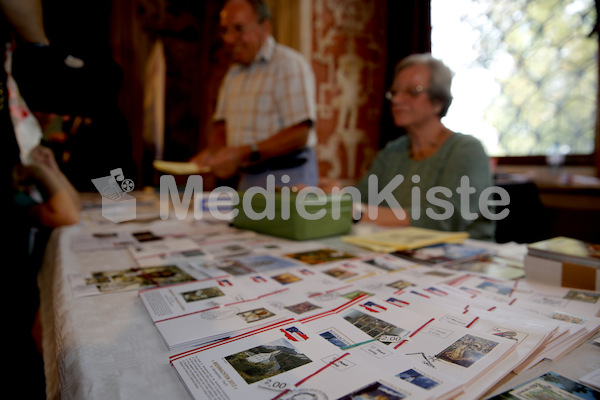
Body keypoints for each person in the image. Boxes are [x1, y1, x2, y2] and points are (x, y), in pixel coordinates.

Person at [355, 53, 496, 241]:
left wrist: (360, 213)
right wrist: (335, 195)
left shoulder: (467, 149)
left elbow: (447, 218)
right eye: (395, 92)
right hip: (400, 253)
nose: (397, 100)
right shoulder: (392, 152)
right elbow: (361, 198)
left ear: (438, 102)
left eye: (412, 91)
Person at [190, 0, 319, 190]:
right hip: (247, 180)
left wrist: (243, 153)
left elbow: (300, 133)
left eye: (239, 29)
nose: (229, 39)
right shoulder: (233, 75)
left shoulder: (289, 65)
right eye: (225, 30)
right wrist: (214, 153)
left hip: (289, 179)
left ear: (265, 28)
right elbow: (221, 127)